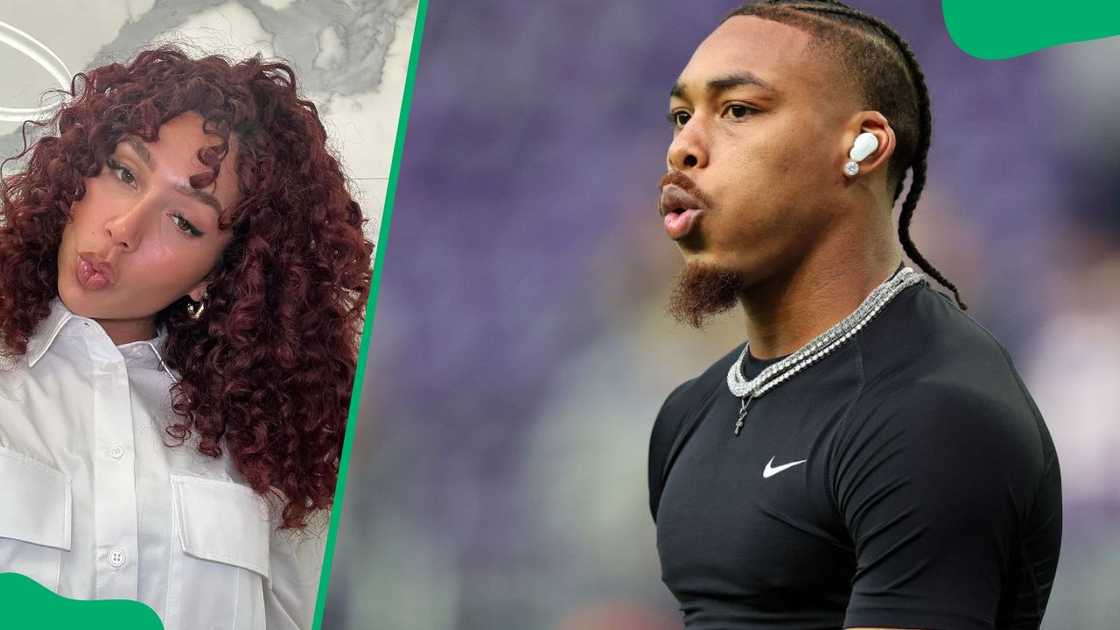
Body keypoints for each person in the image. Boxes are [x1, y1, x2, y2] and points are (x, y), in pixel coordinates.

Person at [647, 2, 1062, 628]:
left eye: (737, 110)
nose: (684, 147)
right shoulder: (690, 413)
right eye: (682, 116)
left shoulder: (933, 414)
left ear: (863, 146)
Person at [0, 47, 372, 629]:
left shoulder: (270, 453)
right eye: (124, 173)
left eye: (184, 222)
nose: (123, 229)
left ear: (219, 273)